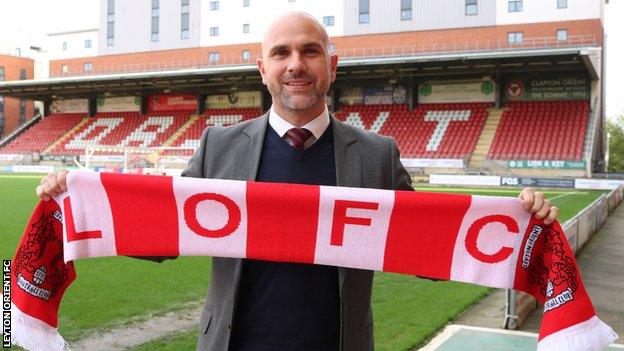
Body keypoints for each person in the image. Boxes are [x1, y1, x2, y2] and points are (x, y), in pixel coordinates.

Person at [36, 11, 559, 351]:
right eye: (282, 54)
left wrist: (520, 224)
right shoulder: (219, 146)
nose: (296, 64)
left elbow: (427, 249)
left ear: (332, 65)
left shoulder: (377, 154)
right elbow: (159, 235)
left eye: (309, 51)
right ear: (262, 69)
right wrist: (73, 204)